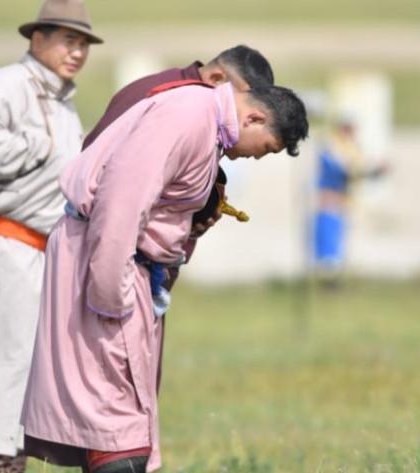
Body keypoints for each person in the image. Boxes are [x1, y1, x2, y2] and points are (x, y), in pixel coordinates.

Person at [20, 81, 309, 473]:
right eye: (266, 149)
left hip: (126, 269)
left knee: (124, 416)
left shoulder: (205, 124)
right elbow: (121, 201)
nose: (256, 159)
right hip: (106, 268)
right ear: (255, 117)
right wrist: (112, 297)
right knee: (117, 417)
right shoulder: (189, 116)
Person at [0, 1, 103, 472]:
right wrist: (37, 149)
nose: (77, 52)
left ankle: (7, 462)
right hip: (6, 245)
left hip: (39, 254)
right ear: (37, 40)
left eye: (83, 44)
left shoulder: (60, 100)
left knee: (24, 376)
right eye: (67, 40)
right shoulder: (8, 83)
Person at [82, 44, 275, 391]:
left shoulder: (201, 115)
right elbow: (116, 196)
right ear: (217, 79)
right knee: (107, 396)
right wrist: (114, 292)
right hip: (108, 268)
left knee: (133, 392)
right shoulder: (167, 101)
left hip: (143, 273)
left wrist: (195, 224)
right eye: (242, 102)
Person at [313, 116, 387, 287]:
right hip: (330, 201)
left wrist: (375, 171)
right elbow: (344, 171)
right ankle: (328, 279)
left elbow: (357, 170)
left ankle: (334, 277)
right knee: (328, 243)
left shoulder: (352, 148)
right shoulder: (332, 146)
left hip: (343, 201)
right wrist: (373, 171)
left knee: (337, 243)